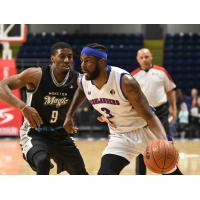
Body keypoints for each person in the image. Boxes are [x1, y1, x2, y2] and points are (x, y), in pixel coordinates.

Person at [63, 43, 182, 175]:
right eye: (82, 61)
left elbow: (149, 116)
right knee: (105, 173)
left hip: (145, 131)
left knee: (171, 172)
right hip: (120, 135)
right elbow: (81, 90)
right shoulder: (83, 81)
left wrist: (164, 141)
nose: (83, 65)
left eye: (88, 61)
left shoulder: (125, 82)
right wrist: (69, 115)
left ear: (101, 62)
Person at [0, 42, 88, 175]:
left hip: (60, 134)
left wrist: (70, 115)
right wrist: (23, 107)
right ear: (52, 58)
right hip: (35, 133)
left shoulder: (77, 79)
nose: (67, 60)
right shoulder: (36, 74)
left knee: (81, 174)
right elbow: (2, 86)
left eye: (70, 57)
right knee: (42, 161)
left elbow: (89, 92)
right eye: (62, 56)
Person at [131, 48, 183, 175]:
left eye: (146, 56)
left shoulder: (161, 71)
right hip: (142, 113)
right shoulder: (132, 76)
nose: (144, 59)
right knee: (141, 145)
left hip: (161, 111)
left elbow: (170, 91)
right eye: (141, 57)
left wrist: (174, 108)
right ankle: (140, 175)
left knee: (167, 142)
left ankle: (171, 170)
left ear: (151, 57)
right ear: (137, 59)